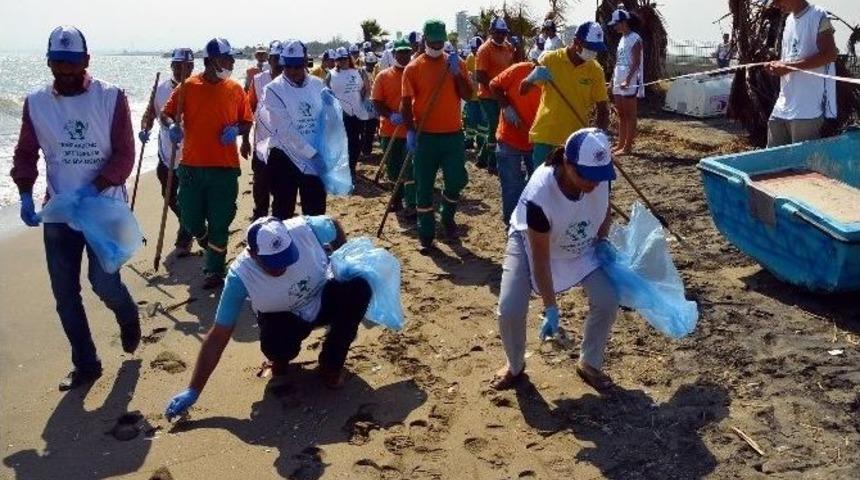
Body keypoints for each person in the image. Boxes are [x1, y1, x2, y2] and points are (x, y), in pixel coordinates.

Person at [10, 26, 141, 390]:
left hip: (104, 209)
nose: (65, 71)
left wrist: (92, 190)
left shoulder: (110, 97)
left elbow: (125, 155)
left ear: (86, 60)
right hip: (60, 212)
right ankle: (85, 363)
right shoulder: (36, 102)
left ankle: (127, 314)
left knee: (104, 282)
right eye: (58, 63)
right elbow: (25, 153)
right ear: (48, 62)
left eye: (72, 63)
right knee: (65, 294)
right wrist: (25, 192)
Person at [164, 215, 372, 420]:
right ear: (253, 254)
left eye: (286, 258)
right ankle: (280, 360)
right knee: (276, 344)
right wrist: (193, 390)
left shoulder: (305, 228)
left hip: (324, 299)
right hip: (284, 319)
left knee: (359, 288)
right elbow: (218, 334)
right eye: (274, 263)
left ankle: (331, 364)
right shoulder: (240, 277)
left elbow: (333, 224)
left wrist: (342, 256)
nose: (282, 267)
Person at [492, 128, 619, 392]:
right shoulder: (540, 196)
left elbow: (604, 208)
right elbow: (541, 261)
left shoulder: (599, 177)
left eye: (599, 176)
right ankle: (514, 365)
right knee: (510, 308)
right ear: (567, 163)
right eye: (586, 176)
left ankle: (590, 362)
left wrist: (602, 241)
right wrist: (551, 307)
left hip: (578, 243)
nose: (593, 183)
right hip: (532, 242)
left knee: (607, 299)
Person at [161, 37, 254, 290]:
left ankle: (214, 270)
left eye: (232, 58)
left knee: (220, 221)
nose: (231, 63)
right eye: (226, 58)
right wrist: (172, 126)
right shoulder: (188, 86)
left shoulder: (235, 89)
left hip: (225, 167)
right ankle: (204, 240)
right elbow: (166, 113)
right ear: (211, 61)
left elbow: (247, 120)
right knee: (189, 216)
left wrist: (237, 131)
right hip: (191, 166)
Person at [401, 19, 473, 251]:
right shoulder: (414, 67)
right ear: (424, 40)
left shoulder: (456, 64)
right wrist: (410, 131)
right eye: (432, 42)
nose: (436, 46)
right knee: (423, 186)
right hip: (425, 137)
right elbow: (405, 104)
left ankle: (448, 217)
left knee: (456, 179)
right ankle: (426, 233)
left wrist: (457, 74)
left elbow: (468, 95)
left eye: (440, 42)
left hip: (453, 135)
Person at [258, 40, 331, 218]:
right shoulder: (272, 90)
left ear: (305, 62)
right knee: (283, 211)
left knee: (315, 211)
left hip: (314, 155)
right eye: (288, 66)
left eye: (297, 66)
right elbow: (285, 131)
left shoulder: (318, 85)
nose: (292, 71)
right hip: (284, 155)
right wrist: (312, 154)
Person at [521, 21, 610, 169]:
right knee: (541, 181)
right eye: (590, 48)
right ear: (576, 42)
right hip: (546, 135)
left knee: (569, 182)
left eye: (596, 49)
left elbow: (603, 108)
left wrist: (600, 139)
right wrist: (532, 77)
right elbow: (522, 90)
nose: (593, 53)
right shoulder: (550, 60)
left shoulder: (595, 70)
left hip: (574, 141)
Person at [139, 48, 196, 256]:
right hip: (166, 153)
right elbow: (149, 115)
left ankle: (186, 235)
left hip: (192, 156)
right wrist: (145, 129)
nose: (182, 71)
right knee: (169, 195)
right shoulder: (160, 89)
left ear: (192, 67)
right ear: (171, 66)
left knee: (187, 198)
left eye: (187, 67)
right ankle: (189, 223)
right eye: (177, 66)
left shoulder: (198, 88)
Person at [764, 0, 838, 147]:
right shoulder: (789, 21)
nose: (775, 4)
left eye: (777, 0)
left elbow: (830, 54)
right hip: (783, 105)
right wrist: (777, 66)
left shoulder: (818, 15)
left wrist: (789, 67)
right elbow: (791, 58)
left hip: (808, 109)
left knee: (803, 160)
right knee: (773, 157)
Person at [490, 52, 542, 226]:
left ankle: (533, 223)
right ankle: (513, 223)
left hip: (537, 139)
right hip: (510, 136)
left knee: (538, 183)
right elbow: (494, 85)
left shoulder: (555, 80)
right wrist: (506, 106)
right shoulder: (519, 70)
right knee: (512, 183)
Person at [371, 39, 415, 217]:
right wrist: (390, 115)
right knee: (393, 168)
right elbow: (376, 102)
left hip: (411, 131)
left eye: (407, 52)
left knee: (411, 169)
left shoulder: (414, 74)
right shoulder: (383, 76)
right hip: (390, 131)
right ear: (394, 54)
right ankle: (396, 200)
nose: (404, 55)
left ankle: (411, 203)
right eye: (401, 52)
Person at [247, 40, 284, 220]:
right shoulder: (258, 80)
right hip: (262, 143)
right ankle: (260, 215)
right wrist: (245, 140)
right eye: (275, 58)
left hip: (286, 146)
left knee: (282, 187)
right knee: (260, 184)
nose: (279, 62)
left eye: (282, 58)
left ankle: (279, 219)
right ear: (269, 60)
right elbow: (249, 110)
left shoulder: (293, 80)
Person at [475, 17, 514, 174]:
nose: (501, 36)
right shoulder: (484, 50)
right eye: (498, 33)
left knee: (499, 127)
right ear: (491, 32)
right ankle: (492, 163)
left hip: (503, 94)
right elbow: (480, 76)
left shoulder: (508, 47)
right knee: (494, 126)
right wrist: (495, 86)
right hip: (488, 96)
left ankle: (482, 158)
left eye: (503, 33)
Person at [326, 47, 369, 177]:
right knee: (345, 143)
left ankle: (352, 167)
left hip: (358, 113)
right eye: (339, 59)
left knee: (356, 143)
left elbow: (366, 89)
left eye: (344, 58)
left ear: (349, 58)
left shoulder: (359, 72)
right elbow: (325, 94)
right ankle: (346, 169)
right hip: (341, 115)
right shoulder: (331, 75)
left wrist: (364, 101)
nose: (342, 61)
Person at [608, 9, 644, 155]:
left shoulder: (635, 39)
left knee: (630, 114)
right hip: (618, 79)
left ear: (624, 23)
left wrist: (628, 80)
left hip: (629, 81)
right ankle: (620, 144)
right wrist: (612, 80)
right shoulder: (622, 39)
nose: (614, 27)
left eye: (616, 24)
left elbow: (636, 63)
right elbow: (618, 61)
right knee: (621, 114)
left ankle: (627, 147)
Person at [463, 36, 485, 151]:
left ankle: (481, 142)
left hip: (483, 96)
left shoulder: (485, 57)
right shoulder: (470, 58)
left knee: (483, 122)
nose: (475, 50)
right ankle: (469, 141)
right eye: (473, 49)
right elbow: (467, 74)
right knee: (470, 121)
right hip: (472, 96)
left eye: (476, 48)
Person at [361, 52, 380, 157]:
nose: (371, 66)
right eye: (369, 64)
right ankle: (364, 151)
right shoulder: (361, 73)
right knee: (365, 129)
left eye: (372, 64)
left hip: (374, 104)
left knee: (371, 129)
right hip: (364, 105)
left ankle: (367, 151)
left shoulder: (376, 72)